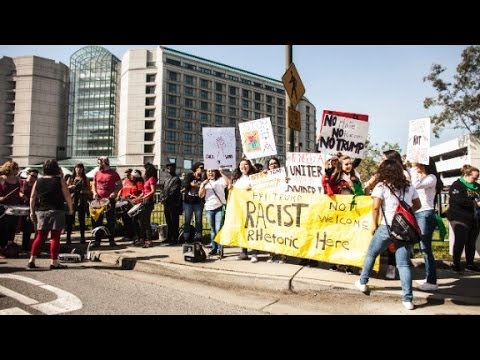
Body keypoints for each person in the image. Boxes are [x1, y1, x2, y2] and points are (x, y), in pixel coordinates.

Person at [354, 159, 421, 310]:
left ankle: (363, 282)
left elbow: (376, 207)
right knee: (403, 264)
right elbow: (418, 205)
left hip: (386, 227)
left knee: (372, 253)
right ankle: (408, 299)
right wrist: (404, 215)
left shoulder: (381, 186)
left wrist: (374, 224)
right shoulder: (409, 186)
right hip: (404, 229)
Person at [27, 159, 73, 269]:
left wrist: (32, 211)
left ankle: (32, 260)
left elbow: (32, 197)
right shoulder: (59, 180)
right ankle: (54, 262)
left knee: (40, 237)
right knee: (55, 238)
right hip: (57, 210)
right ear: (56, 168)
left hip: (42, 211)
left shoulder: (38, 181)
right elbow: (67, 196)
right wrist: (71, 209)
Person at [410, 159, 441, 290]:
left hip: (425, 214)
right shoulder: (422, 176)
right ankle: (428, 278)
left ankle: (432, 281)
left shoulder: (432, 178)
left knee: (426, 249)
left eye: (419, 165)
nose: (416, 167)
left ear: (424, 165)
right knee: (423, 248)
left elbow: (415, 185)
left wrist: (413, 168)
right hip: (418, 213)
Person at [447, 164, 480, 273]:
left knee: (471, 242)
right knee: (460, 240)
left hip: (474, 218)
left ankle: (469, 263)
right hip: (459, 217)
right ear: (466, 175)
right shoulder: (457, 185)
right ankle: (456, 263)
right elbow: (458, 200)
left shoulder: (477, 187)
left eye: (477, 178)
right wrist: (474, 203)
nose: (475, 180)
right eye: (473, 177)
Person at [198, 168, 231, 258]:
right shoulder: (205, 183)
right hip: (209, 208)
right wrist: (202, 186)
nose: (210, 173)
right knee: (213, 230)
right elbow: (200, 195)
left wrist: (222, 172)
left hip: (219, 208)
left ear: (215, 172)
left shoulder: (220, 180)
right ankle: (214, 248)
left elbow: (229, 184)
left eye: (212, 171)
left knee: (218, 229)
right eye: (209, 171)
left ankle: (220, 248)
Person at [229, 158, 258, 261]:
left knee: (253, 230)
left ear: (249, 166)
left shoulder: (254, 178)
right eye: (241, 165)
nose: (243, 166)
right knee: (242, 230)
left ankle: (254, 252)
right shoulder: (236, 179)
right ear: (239, 167)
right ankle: (244, 252)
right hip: (240, 210)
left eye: (246, 164)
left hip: (252, 209)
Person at [91, 156, 122, 247]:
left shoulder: (114, 173)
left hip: (109, 200)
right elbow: (94, 185)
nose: (98, 164)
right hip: (98, 200)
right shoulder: (97, 173)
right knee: (97, 220)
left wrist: (115, 192)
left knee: (110, 220)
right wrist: (94, 192)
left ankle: (111, 240)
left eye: (99, 162)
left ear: (105, 162)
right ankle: (97, 241)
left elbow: (120, 185)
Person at [133, 163, 157, 248]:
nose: (144, 172)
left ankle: (149, 240)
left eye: (145, 170)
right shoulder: (146, 180)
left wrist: (144, 197)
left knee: (146, 222)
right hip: (144, 202)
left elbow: (153, 191)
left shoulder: (152, 179)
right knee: (141, 221)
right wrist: (137, 198)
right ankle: (142, 239)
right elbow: (144, 192)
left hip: (148, 202)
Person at [0, 161, 21, 255]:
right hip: (3, 207)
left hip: (14, 207)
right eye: (15, 168)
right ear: (9, 168)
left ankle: (9, 248)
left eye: (17, 168)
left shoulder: (18, 180)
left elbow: (19, 192)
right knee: (3, 228)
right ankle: (2, 247)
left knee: (12, 228)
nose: (17, 170)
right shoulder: (1, 178)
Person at [66, 163, 91, 244]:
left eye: (80, 168)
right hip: (72, 201)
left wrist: (84, 191)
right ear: (74, 169)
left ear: (83, 169)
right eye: (77, 168)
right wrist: (71, 187)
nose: (78, 170)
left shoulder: (85, 178)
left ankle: (82, 237)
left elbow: (89, 191)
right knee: (70, 220)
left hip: (82, 201)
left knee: (81, 220)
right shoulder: (71, 178)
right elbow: (65, 189)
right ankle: (68, 238)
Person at [182, 162, 206, 243]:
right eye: (201, 167)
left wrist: (195, 185)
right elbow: (186, 185)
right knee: (187, 220)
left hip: (198, 202)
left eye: (203, 168)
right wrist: (199, 186)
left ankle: (199, 237)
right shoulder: (190, 175)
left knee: (199, 220)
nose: (202, 169)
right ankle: (186, 237)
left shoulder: (203, 177)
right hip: (188, 202)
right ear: (196, 168)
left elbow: (206, 187)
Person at [160, 163, 182, 245]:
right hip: (167, 204)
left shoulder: (176, 179)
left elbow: (174, 191)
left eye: (171, 168)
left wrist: (165, 199)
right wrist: (162, 198)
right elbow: (162, 190)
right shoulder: (166, 179)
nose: (170, 169)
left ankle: (174, 238)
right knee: (168, 221)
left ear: (174, 169)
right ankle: (169, 237)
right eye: (168, 168)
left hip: (174, 204)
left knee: (174, 221)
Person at [19, 169, 38, 252]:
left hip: (30, 208)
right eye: (32, 175)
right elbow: (17, 191)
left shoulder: (36, 185)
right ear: (28, 174)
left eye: (35, 176)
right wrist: (21, 194)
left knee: (28, 228)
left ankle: (25, 246)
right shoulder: (22, 182)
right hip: (19, 208)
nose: (33, 177)